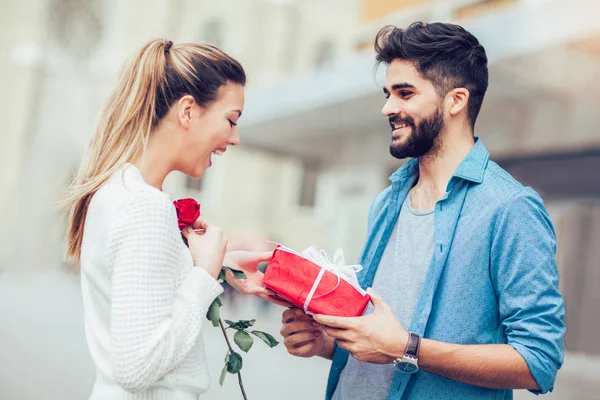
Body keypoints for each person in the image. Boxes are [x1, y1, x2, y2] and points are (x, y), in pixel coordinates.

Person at [280, 22, 565, 400]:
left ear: (456, 100)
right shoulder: (387, 201)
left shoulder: (510, 209)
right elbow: (380, 344)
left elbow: (539, 361)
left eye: (405, 93)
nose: (387, 108)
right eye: (388, 93)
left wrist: (407, 348)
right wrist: (326, 345)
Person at [63, 39, 282, 399]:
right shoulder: (144, 207)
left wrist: (221, 266)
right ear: (187, 111)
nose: (235, 138)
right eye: (230, 120)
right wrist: (204, 276)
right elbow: (138, 367)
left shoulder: (116, 191)